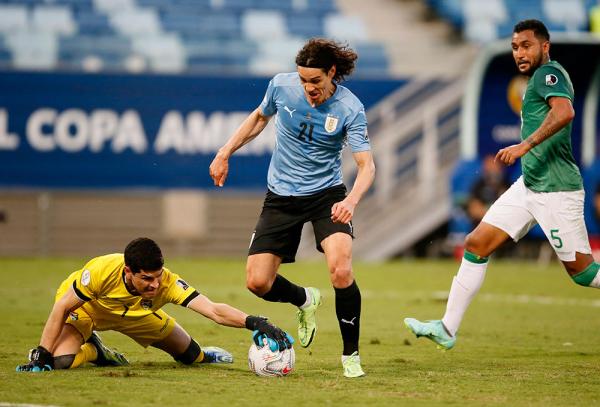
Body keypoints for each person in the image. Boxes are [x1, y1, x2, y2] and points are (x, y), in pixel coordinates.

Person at [405, 19, 600, 350]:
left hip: (557, 190)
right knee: (476, 243)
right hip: (530, 186)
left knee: (584, 275)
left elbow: (565, 112)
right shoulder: (536, 80)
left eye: (526, 45)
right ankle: (447, 328)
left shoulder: (547, 75)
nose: (519, 52)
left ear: (544, 46)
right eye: (514, 47)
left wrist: (524, 146)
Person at [209, 38, 375, 377]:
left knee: (341, 270)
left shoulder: (350, 108)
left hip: (326, 196)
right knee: (257, 282)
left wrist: (351, 200)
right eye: (303, 80)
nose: (308, 88)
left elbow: (366, 165)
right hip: (281, 196)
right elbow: (259, 118)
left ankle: (351, 356)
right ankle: (304, 300)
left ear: (331, 73)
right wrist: (225, 151)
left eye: (315, 81)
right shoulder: (281, 87)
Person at [16, 237, 292, 372]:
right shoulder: (101, 271)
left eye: (158, 277)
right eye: (147, 279)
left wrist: (254, 321)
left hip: (136, 315)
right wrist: (41, 353)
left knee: (190, 356)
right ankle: (95, 350)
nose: (155, 285)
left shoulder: (167, 282)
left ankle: (204, 354)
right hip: (87, 310)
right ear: (128, 272)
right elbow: (62, 306)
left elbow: (213, 310)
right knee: (61, 361)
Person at [465, 155, 510, 226]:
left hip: (503, 230)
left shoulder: (508, 186)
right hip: (481, 228)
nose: (492, 172)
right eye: (489, 168)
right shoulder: (478, 186)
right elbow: (474, 211)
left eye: (494, 167)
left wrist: (485, 211)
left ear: (500, 168)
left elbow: (510, 213)